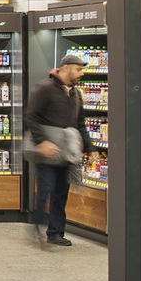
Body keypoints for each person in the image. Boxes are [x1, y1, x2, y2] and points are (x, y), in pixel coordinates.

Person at [24, 53, 91, 246]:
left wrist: (89, 147)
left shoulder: (76, 95)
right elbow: (31, 116)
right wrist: (42, 142)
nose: (82, 73)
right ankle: (36, 224)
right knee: (47, 188)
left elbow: (80, 124)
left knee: (62, 191)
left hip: (65, 152)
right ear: (66, 67)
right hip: (46, 151)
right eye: (79, 69)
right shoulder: (44, 88)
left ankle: (55, 233)